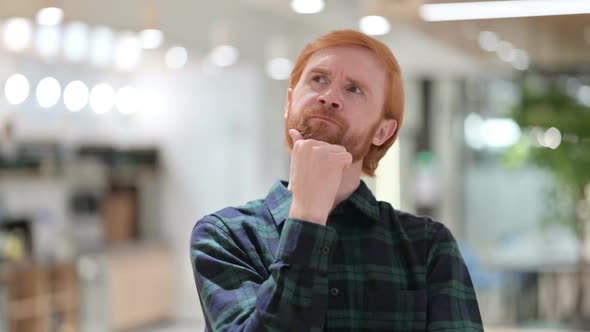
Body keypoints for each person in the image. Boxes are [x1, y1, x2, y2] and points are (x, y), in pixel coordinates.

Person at [190, 29, 483, 331]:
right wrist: (307, 218)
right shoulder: (226, 237)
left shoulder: (427, 247)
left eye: (354, 89)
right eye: (318, 79)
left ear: (383, 131)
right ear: (289, 103)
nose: (329, 97)